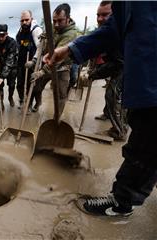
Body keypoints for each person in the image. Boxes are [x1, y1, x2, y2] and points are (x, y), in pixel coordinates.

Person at [44, 1, 157, 217]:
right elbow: (113, 29)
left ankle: (123, 201)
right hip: (142, 75)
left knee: (145, 141)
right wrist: (70, 50)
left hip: (148, 77)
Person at [88, 1, 127, 141]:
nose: (100, 19)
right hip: (117, 65)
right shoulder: (103, 33)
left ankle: (119, 130)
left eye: (105, 15)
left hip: (127, 67)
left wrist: (96, 74)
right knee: (110, 92)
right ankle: (108, 114)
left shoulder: (119, 32)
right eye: (98, 15)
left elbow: (117, 64)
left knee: (113, 94)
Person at [30, 3, 78, 116]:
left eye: (60, 21)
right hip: (48, 63)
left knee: (60, 96)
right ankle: (38, 103)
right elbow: (49, 30)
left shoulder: (71, 34)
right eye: (54, 20)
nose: (56, 24)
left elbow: (58, 58)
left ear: (68, 18)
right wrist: (44, 35)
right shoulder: (54, 25)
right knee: (36, 87)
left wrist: (42, 71)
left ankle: (56, 119)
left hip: (62, 67)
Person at [16, 10, 43, 111]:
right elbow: (18, 46)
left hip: (34, 64)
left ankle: (35, 103)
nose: (24, 22)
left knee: (34, 86)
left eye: (26, 20)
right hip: (22, 63)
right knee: (20, 85)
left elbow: (41, 48)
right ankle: (24, 102)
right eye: (22, 20)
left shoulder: (37, 30)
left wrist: (34, 61)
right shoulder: (20, 32)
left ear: (31, 19)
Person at [0, 24, 18, 112]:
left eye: (3, 35)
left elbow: (10, 61)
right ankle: (1, 104)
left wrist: (2, 77)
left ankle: (10, 97)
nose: (1, 38)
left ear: (7, 34)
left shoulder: (12, 42)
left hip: (12, 67)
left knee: (12, 85)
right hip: (0, 66)